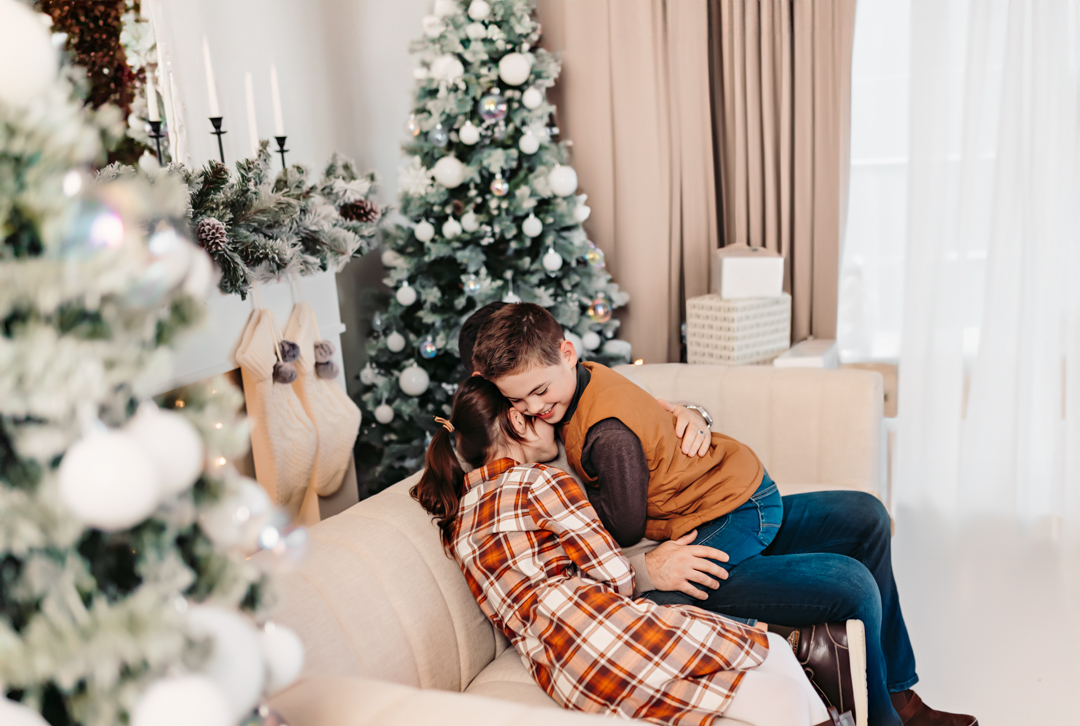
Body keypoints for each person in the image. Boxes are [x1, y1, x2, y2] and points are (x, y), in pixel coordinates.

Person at [467, 303, 978, 726]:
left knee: (864, 515)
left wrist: (691, 415)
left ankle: (897, 692)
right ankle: (884, 717)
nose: (534, 409)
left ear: (567, 353)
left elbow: (635, 448)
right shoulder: (528, 459)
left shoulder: (594, 421)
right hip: (668, 558)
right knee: (852, 583)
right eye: (519, 403)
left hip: (710, 512)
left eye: (539, 392)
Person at [412, 375, 849, 726]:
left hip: (564, 675)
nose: (549, 420)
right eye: (534, 413)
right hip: (607, 633)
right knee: (775, 658)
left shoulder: (460, 519)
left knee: (725, 697)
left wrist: (693, 412)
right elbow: (615, 577)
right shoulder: (541, 482)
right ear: (519, 422)